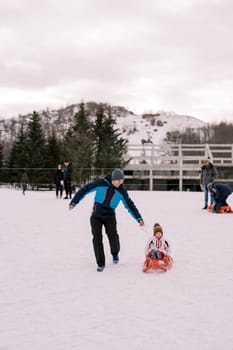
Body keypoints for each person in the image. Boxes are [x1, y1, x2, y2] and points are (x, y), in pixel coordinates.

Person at [69, 168, 144, 272]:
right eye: (118, 181)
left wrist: (138, 218)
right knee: (97, 238)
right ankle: (100, 263)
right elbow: (85, 189)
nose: (120, 183)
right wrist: (74, 202)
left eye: (122, 181)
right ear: (113, 179)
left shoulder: (122, 190)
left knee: (113, 236)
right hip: (96, 215)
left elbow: (129, 205)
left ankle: (115, 253)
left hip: (110, 216)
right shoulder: (101, 183)